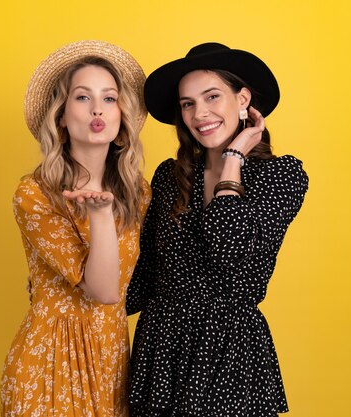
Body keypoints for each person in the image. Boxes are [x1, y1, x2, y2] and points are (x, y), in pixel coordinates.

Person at [126, 42, 309, 416]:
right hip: (161, 354)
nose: (199, 113)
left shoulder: (280, 176)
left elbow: (229, 251)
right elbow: (142, 277)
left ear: (243, 99)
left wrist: (233, 159)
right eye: (188, 103)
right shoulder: (168, 177)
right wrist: (67, 289)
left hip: (228, 352)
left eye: (212, 97)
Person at [0, 40, 150, 417]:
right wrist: (100, 216)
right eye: (82, 98)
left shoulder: (139, 193)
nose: (97, 108)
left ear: (121, 120)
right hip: (50, 362)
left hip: (112, 359)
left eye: (109, 98)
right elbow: (101, 289)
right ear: (62, 117)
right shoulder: (35, 194)